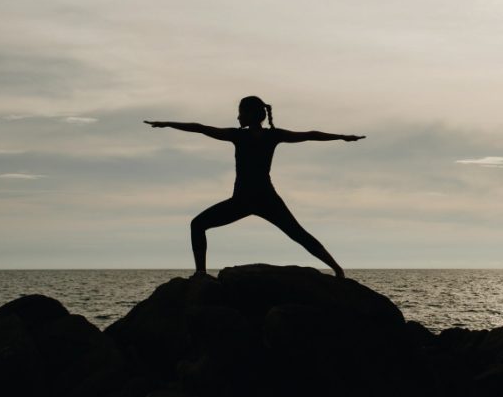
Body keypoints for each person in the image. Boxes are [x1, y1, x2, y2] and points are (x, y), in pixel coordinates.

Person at [144, 96, 364, 278]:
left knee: (198, 224)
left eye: (240, 112)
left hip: (247, 200)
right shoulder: (271, 135)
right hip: (262, 199)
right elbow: (310, 135)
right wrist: (342, 137)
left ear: (250, 114)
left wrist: (168, 123)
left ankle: (200, 273)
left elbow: (201, 128)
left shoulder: (240, 135)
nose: (238, 116)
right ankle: (337, 269)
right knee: (298, 234)